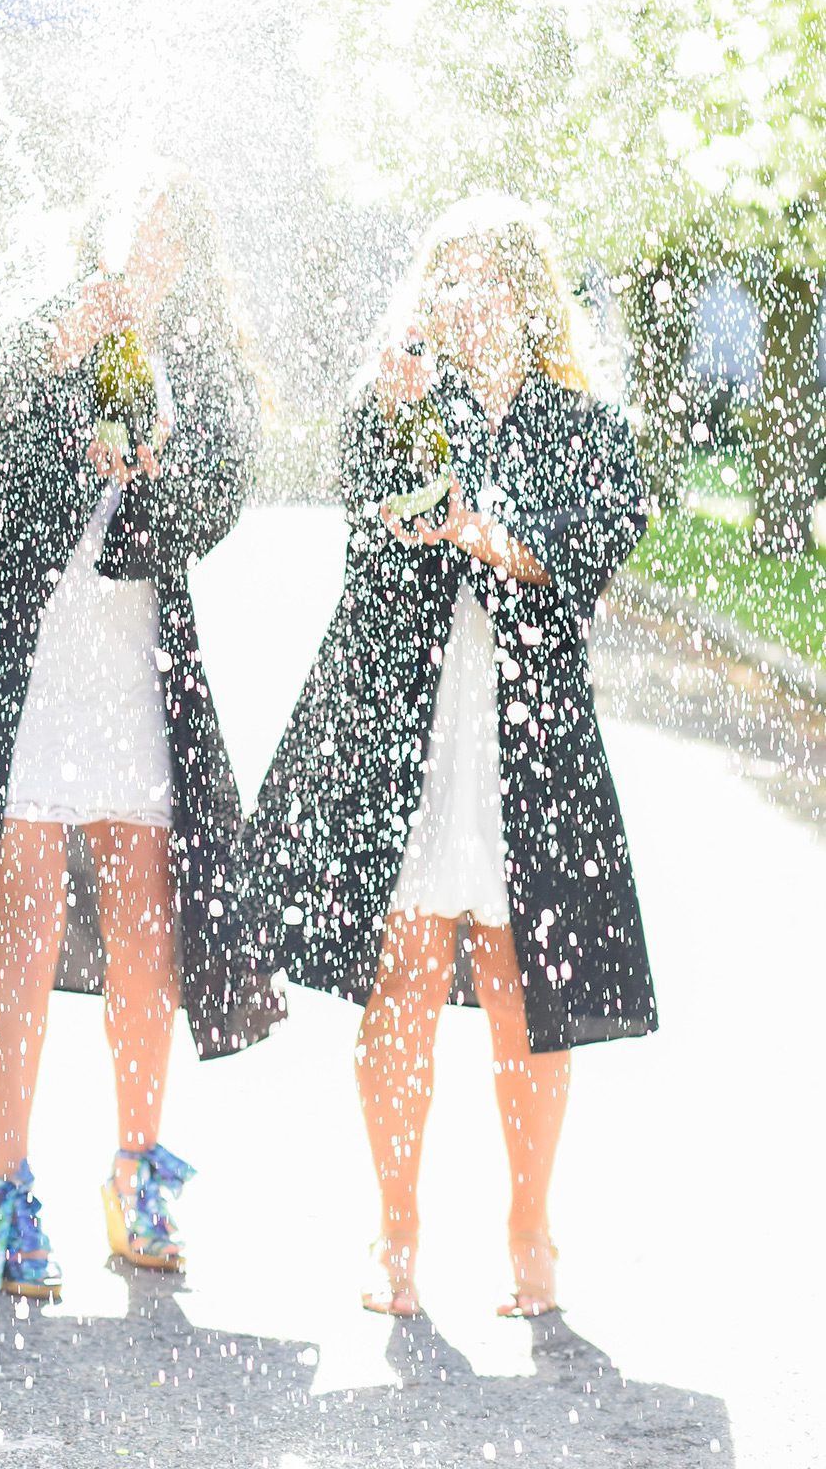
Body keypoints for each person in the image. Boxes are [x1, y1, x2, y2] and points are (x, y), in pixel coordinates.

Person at [249, 194, 657, 1319]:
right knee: (405, 973)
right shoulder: (397, 404)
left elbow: (568, 559)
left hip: (526, 732)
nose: (464, 297)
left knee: (529, 983)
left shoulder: (586, 426)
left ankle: (530, 1220)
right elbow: (367, 538)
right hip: (413, 731)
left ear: (532, 297)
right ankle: (397, 1224)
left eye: (487, 277)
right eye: (449, 276)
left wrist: (477, 521)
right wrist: (393, 419)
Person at [0, 174, 283, 1300]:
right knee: (18, 918)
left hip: (134, 659)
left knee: (145, 914)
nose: (154, 260)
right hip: (30, 663)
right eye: (140, 236)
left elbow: (225, 484)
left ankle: (136, 1167)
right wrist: (57, 367)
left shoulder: (194, 354)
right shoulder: (47, 322)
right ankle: (10, 1181)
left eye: (176, 241)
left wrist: (151, 488)